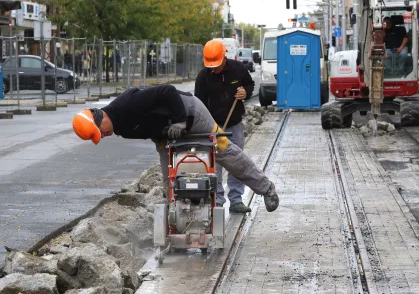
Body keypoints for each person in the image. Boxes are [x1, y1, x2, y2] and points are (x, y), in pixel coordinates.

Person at [71, 84, 279, 213]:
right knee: (168, 177)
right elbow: (149, 126)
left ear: (101, 117)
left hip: (190, 114)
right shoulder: (119, 127)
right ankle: (177, 221)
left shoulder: (128, 105)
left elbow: (167, 91)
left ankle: (265, 188)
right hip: (167, 133)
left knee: (224, 150)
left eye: (102, 132)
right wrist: (161, 140)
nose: (105, 136)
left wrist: (180, 121)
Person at [195, 40, 254, 213]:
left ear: (224, 57)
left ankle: (236, 200)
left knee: (236, 162)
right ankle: (217, 200)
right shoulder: (203, 77)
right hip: (212, 127)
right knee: (215, 164)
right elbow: (198, 104)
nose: (213, 68)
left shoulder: (238, 69)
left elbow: (250, 84)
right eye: (211, 65)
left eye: (216, 64)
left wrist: (246, 93)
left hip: (234, 125)